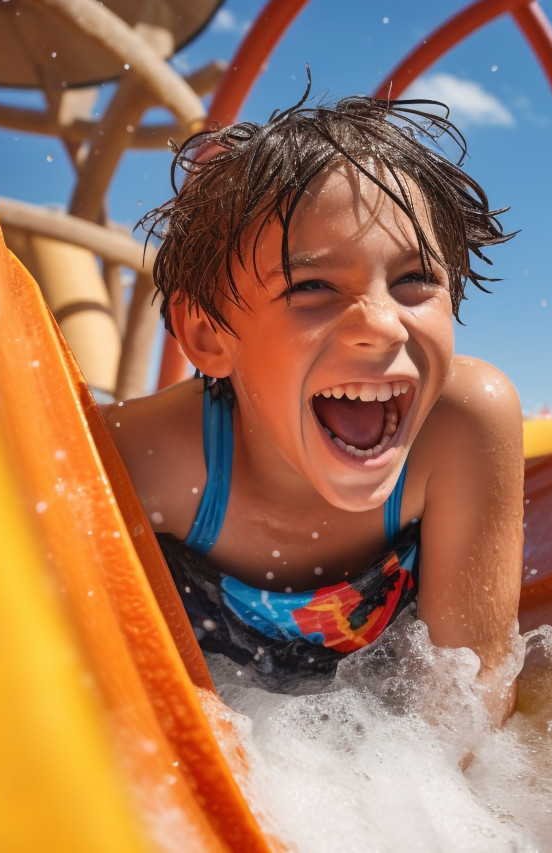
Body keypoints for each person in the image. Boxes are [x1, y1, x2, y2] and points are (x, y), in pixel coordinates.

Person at [103, 90, 523, 721]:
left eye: (415, 280)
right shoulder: (149, 459)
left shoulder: (460, 427)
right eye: (314, 287)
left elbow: (470, 718)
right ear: (210, 336)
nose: (382, 326)